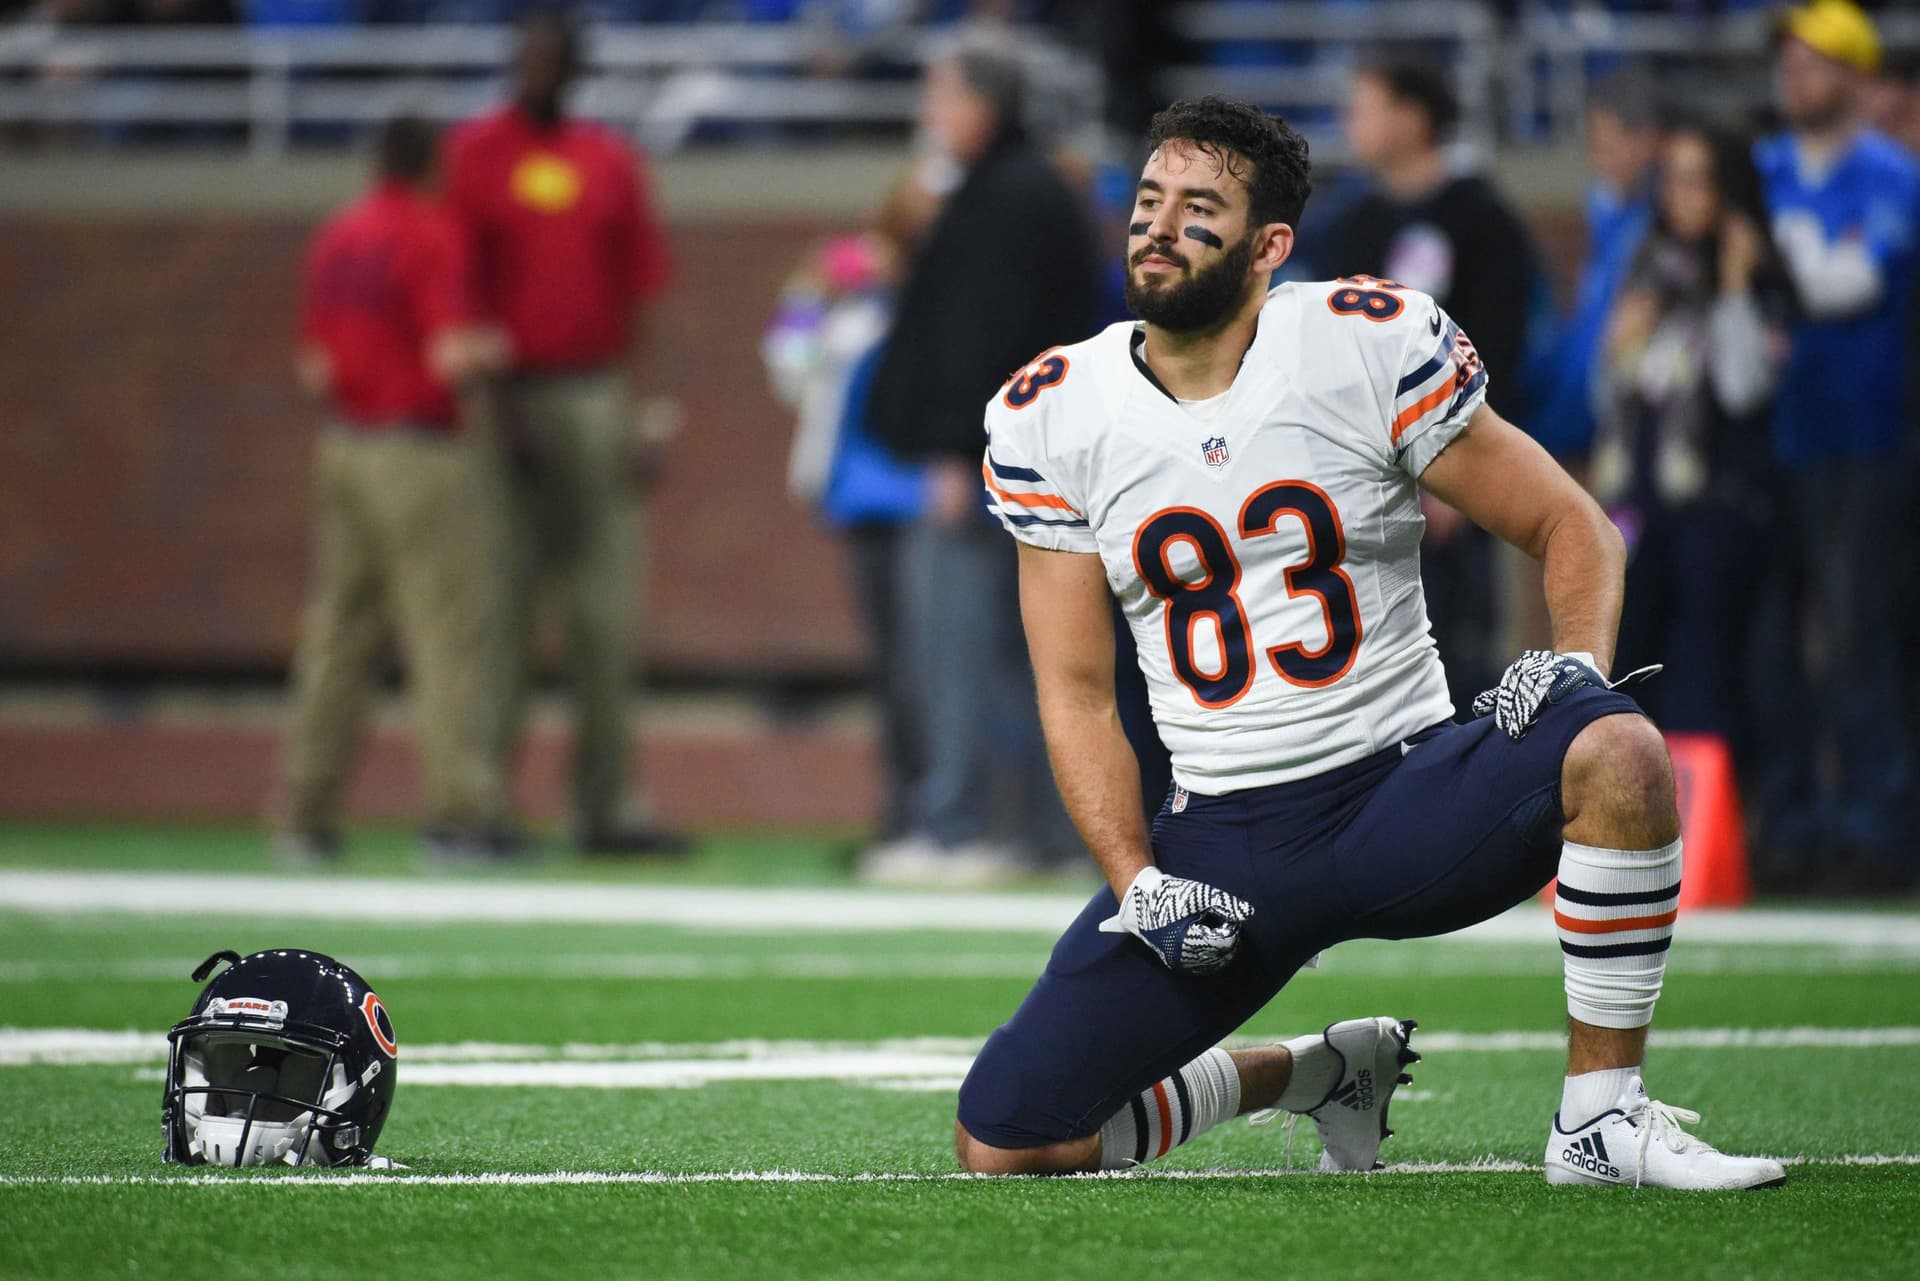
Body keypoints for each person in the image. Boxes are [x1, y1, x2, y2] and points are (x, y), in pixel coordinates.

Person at [953, 96, 1783, 1191]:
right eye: (1150, 199)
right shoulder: (1056, 410)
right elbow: (1077, 694)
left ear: (1269, 248)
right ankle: (1317, 1074)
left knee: (1619, 748)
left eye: (1199, 209)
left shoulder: (1359, 343)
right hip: (1227, 840)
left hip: (1405, 794)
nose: (1158, 226)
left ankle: (1600, 1118)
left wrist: (1577, 665)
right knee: (1009, 1138)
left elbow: (1571, 523)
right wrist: (1136, 879)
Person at [859, 35, 1100, 885]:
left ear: (981, 105)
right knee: (1023, 653)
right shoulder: (1016, 188)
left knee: (961, 648)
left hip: (992, 465)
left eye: (941, 95)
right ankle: (1043, 833)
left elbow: (989, 337)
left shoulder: (1008, 196)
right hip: (1022, 462)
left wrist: (961, 449)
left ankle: (964, 825)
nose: (929, 113)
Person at [446, 9, 685, 857]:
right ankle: (477, 805)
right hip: (506, 394)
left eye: (554, 60)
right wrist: (501, 404)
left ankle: (607, 806)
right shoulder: (475, 155)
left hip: (595, 393)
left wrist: (648, 413)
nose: (539, 72)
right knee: (496, 611)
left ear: (576, 69)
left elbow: (644, 295)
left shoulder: (608, 160)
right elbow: (457, 287)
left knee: (606, 614)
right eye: (529, 58)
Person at [279, 115, 512, 864]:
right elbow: (450, 356)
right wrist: (496, 346)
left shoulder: (339, 235)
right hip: (416, 448)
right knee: (445, 632)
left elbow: (313, 368)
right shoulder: (431, 232)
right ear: (433, 165)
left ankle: (305, 814)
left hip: (344, 445)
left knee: (337, 634)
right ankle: (458, 816)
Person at [1754, 0, 1917, 888]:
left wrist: (1764, 262)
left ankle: (1875, 830)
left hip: (1859, 437)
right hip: (1767, 433)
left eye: (1814, 61)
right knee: (1772, 643)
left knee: (1858, 639)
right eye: (1789, 61)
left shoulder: (1890, 176)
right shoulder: (1766, 167)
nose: (1794, 76)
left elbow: (1847, 283)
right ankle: (1789, 827)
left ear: (1855, 73)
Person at [1325, 58, 1546, 714]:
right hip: (1363, 474)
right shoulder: (1351, 225)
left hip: (1453, 473)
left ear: (1413, 118)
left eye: (1365, 108)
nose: (1348, 123)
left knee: (1456, 644)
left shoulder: (1480, 219)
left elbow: (1498, 347)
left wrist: (1460, 473)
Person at [1594, 118, 1795, 745]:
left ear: (1727, 190)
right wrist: (1619, 343)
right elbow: (1607, 399)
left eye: (1697, 181)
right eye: (1672, 180)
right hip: (1640, 506)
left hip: (1717, 507)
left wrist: (1733, 286)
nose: (1680, 196)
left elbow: (1742, 388)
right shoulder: (1649, 270)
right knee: (1628, 665)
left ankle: (1712, 799)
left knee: (1705, 671)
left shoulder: (1755, 276)